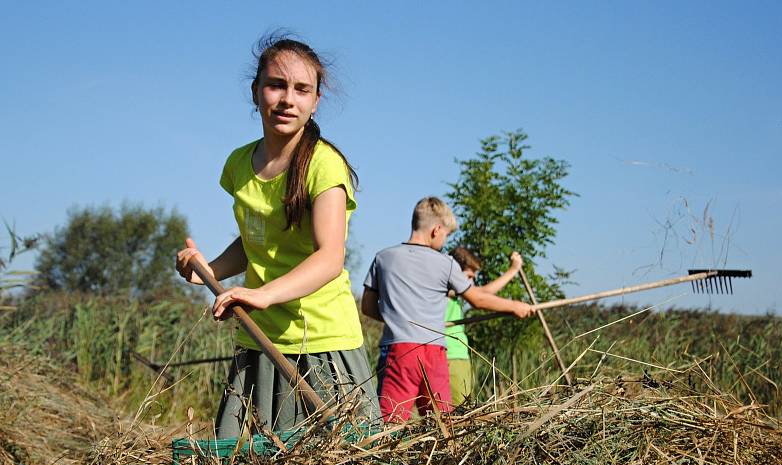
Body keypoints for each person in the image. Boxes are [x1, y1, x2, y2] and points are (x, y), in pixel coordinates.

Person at [175, 34, 379, 437]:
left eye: (302, 89)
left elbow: (329, 257)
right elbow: (256, 244)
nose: (288, 99)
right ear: (256, 92)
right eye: (276, 85)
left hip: (320, 341)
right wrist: (208, 268)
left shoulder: (325, 166)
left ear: (316, 100)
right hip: (258, 338)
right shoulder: (237, 164)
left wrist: (263, 295)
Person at [361, 197, 536, 423]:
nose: (445, 241)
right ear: (436, 230)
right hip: (434, 352)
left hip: (399, 349)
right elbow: (478, 299)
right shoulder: (446, 263)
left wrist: (397, 318)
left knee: (391, 423)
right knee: (441, 424)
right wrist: (515, 306)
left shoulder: (383, 258)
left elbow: (367, 307)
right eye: (446, 235)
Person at [445, 247, 523, 407]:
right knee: (456, 412)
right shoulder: (446, 288)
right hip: (450, 356)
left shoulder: (454, 292)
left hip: (459, 354)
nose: (471, 283)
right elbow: (483, 293)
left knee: (462, 408)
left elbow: (482, 293)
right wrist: (513, 270)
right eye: (468, 277)